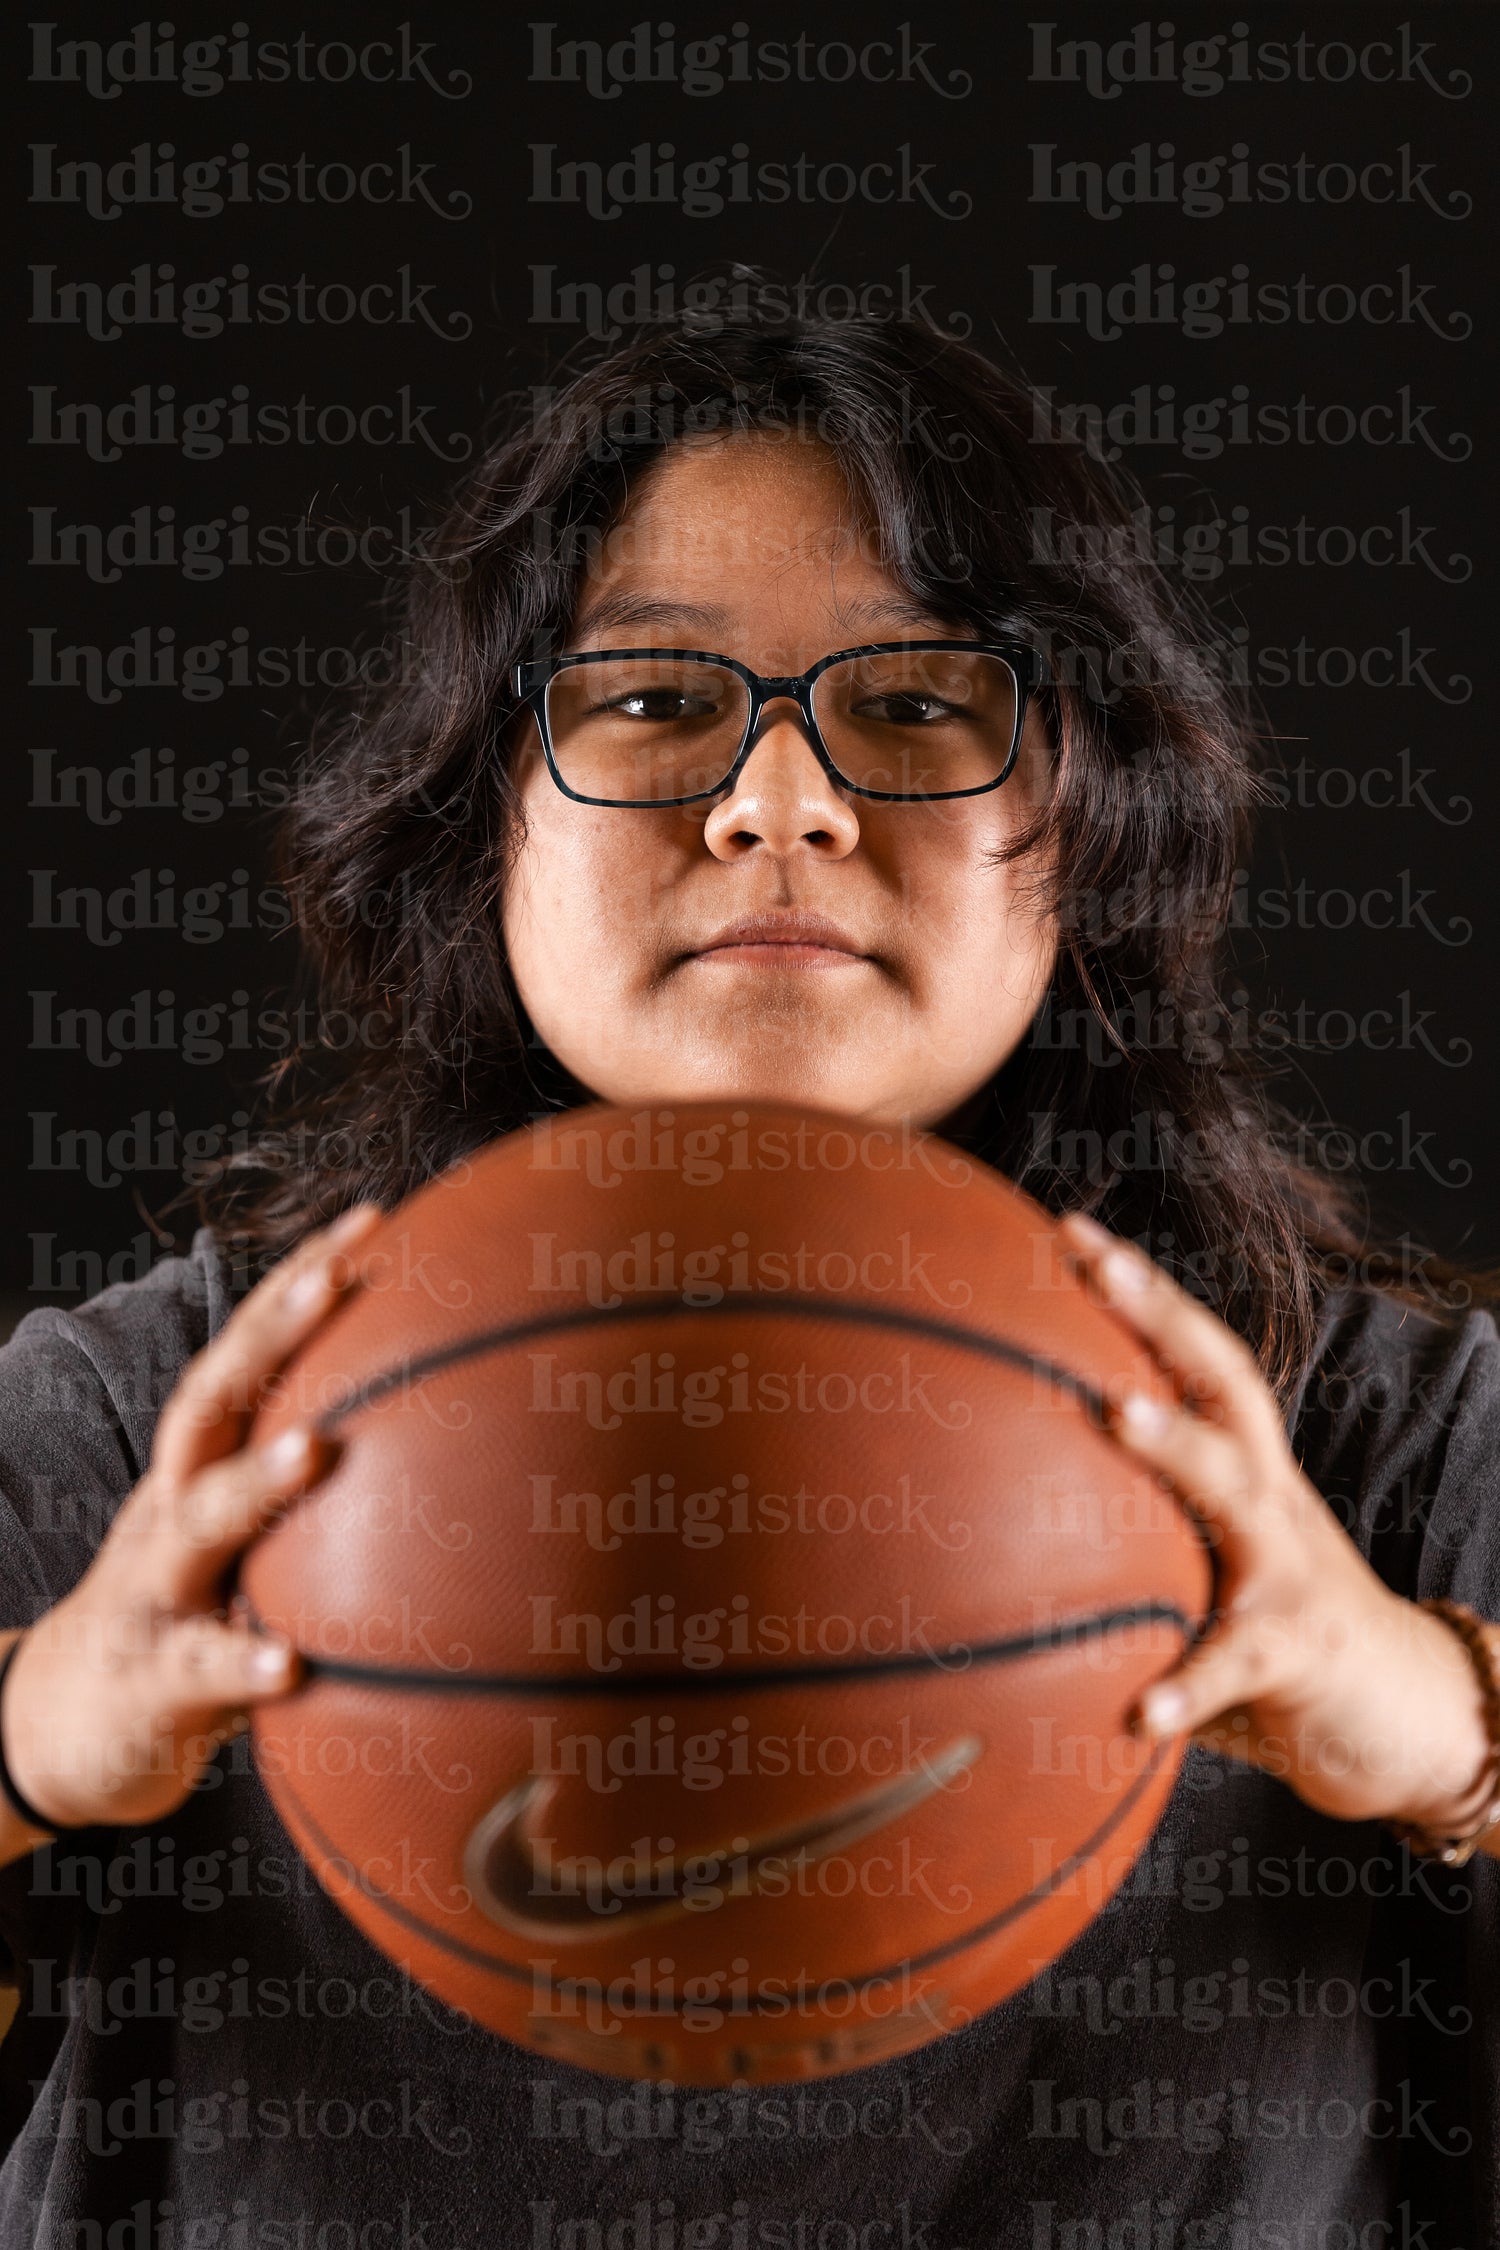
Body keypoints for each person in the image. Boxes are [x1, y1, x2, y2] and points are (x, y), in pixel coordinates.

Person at [0, 305, 1494, 2248]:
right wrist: (34, 1744)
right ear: (485, 825)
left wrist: (1442, 1721)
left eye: (919, 702)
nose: (778, 802)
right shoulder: (168, 1429)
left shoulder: (1372, 1437)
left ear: (1090, 825)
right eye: (648, 704)